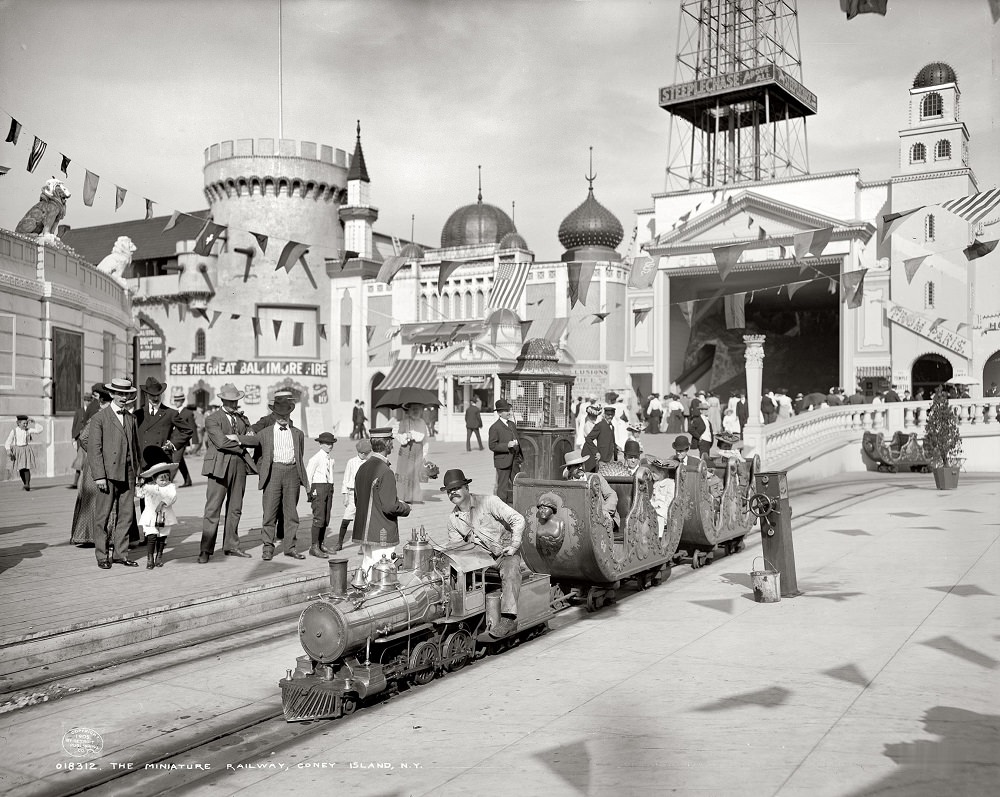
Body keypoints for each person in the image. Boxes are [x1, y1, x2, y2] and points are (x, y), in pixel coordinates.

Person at [444, 468, 525, 638]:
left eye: (456, 488)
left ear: (466, 488)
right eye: (449, 491)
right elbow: (457, 549)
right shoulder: (453, 520)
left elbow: (518, 519)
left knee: (510, 569)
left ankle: (509, 618)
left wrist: (514, 545)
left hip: (504, 554)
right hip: (480, 560)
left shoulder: (489, 502)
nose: (453, 493)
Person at [242, 396, 309, 561]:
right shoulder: (265, 433)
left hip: (292, 472)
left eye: (286, 415)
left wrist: (304, 480)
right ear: (275, 415)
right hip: (273, 472)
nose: (283, 418)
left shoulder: (298, 434)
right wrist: (236, 438)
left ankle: (290, 547)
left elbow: (299, 456)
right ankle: (267, 548)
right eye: (280, 415)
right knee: (270, 512)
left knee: (291, 513)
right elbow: (251, 441)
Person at [198, 383, 258, 562]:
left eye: (236, 401)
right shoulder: (212, 419)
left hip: (239, 467)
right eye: (231, 401)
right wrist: (241, 445)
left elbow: (254, 440)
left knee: (235, 509)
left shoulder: (242, 418)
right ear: (223, 400)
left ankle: (232, 545)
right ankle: (205, 550)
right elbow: (222, 443)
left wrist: (238, 438)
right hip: (218, 467)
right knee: (212, 509)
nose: (234, 404)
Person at [89, 378, 142, 569]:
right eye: (119, 393)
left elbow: (135, 449)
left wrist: (138, 474)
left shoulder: (131, 418)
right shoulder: (99, 418)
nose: (123, 397)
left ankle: (121, 554)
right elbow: (94, 450)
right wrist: (99, 476)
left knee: (126, 515)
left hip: (128, 473)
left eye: (126, 394)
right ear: (111, 394)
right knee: (102, 516)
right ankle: (102, 556)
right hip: (108, 474)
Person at [353, 427, 410, 572]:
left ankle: (363, 591)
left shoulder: (362, 467)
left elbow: (357, 500)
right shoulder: (385, 471)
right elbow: (390, 506)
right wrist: (405, 508)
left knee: (367, 565)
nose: (393, 444)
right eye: (391, 440)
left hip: (364, 530)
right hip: (381, 531)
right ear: (386, 444)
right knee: (382, 571)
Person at [71, 388, 112, 545]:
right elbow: (84, 438)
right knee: (92, 497)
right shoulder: (97, 417)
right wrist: (98, 453)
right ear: (102, 403)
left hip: (105, 464)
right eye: (108, 402)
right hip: (95, 464)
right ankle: (87, 535)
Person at [134, 377, 194, 471]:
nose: (156, 398)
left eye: (158, 395)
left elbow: (188, 430)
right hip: (143, 461)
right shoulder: (138, 414)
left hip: (162, 459)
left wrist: (173, 444)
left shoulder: (170, 413)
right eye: (152, 395)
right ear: (146, 394)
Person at [136, 459, 178, 569]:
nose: (165, 481)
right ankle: (150, 558)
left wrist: (163, 503)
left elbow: (172, 496)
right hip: (150, 516)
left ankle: (159, 556)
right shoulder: (148, 487)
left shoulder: (170, 487)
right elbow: (139, 494)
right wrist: (139, 485)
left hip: (164, 517)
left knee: (162, 537)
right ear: (154, 478)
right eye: (161, 479)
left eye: (166, 478)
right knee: (151, 536)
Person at [305, 431, 337, 558]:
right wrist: (310, 493)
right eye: (327, 443)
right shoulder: (315, 458)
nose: (330, 446)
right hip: (318, 487)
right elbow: (308, 476)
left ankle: (321, 543)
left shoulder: (329, 458)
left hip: (328, 487)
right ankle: (314, 546)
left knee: (326, 517)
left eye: (331, 443)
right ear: (320, 444)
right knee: (319, 517)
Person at [337, 438, 371, 552]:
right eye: (362, 453)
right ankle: (339, 542)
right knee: (346, 518)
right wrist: (345, 495)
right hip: (352, 494)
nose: (364, 455)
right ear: (358, 452)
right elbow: (346, 478)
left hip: (363, 494)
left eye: (366, 454)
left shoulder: (368, 462)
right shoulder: (351, 462)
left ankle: (362, 545)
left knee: (362, 520)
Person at [563, 449, 618, 521]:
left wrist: (604, 511)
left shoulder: (596, 477)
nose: (581, 467)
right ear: (569, 469)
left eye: (582, 464)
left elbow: (612, 495)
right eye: (576, 465)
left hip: (604, 517)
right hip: (581, 520)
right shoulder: (568, 485)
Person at [488, 398, 522, 504]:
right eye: (506, 411)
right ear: (499, 413)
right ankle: (501, 508)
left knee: (518, 484)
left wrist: (519, 455)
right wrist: (507, 445)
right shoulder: (494, 427)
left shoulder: (512, 424)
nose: (509, 412)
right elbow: (492, 445)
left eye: (509, 410)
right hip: (503, 461)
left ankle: (520, 504)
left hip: (514, 460)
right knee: (502, 487)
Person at [395, 402, 429, 503]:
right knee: (404, 472)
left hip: (417, 450)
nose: (415, 411)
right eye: (413, 409)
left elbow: (424, 438)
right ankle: (402, 496)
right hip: (406, 450)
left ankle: (414, 497)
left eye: (417, 409)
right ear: (408, 410)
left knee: (414, 473)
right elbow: (398, 436)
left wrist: (424, 453)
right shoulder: (404, 422)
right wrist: (405, 436)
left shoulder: (422, 422)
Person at [6, 414, 43, 491]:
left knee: (26, 468)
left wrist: (34, 422)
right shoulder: (14, 431)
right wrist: (8, 450)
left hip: (26, 450)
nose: (25, 425)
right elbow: (8, 441)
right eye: (24, 423)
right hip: (17, 451)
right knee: (21, 469)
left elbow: (39, 430)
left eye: (26, 423)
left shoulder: (28, 430)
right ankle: (25, 483)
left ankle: (27, 483)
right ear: (18, 423)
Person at [68, 393, 93, 489]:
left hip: (89, 438)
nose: (87, 401)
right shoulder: (79, 411)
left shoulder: (92, 410)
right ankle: (75, 482)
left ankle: (85, 482)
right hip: (79, 438)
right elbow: (74, 424)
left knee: (85, 461)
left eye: (89, 400)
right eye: (86, 400)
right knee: (80, 459)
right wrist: (73, 438)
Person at [171, 395, 196, 487]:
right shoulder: (173, 412)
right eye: (175, 401)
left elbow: (193, 428)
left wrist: (194, 443)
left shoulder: (188, 413)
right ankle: (187, 480)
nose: (176, 403)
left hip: (182, 440)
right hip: (173, 440)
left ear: (182, 401)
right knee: (180, 462)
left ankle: (168, 482)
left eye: (178, 401)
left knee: (175, 461)